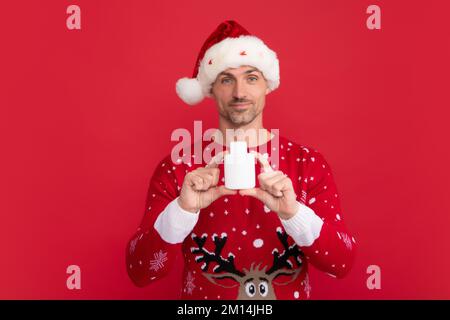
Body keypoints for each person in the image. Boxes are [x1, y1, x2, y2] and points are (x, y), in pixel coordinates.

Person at [126, 20, 356, 300]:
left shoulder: (307, 164)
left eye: (251, 77)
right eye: (226, 79)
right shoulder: (179, 167)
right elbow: (141, 271)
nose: (239, 93)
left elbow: (341, 263)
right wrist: (182, 210)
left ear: (267, 85)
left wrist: (294, 214)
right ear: (210, 89)